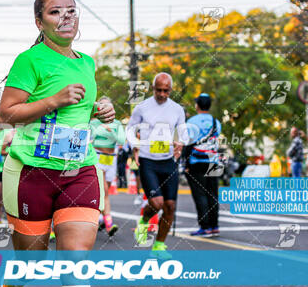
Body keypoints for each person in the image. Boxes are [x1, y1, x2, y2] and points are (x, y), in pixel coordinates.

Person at [0, 0, 115, 287]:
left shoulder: (87, 63)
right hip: (31, 172)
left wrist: (98, 109)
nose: (66, 17)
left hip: (79, 169)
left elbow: (75, 114)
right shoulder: (30, 60)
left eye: (71, 10)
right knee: (31, 260)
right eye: (55, 12)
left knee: (75, 262)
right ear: (40, 22)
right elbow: (6, 114)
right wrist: (53, 100)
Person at [126, 73, 185, 259]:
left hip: (168, 161)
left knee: (170, 206)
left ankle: (159, 246)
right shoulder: (142, 108)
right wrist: (135, 146)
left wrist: (180, 142)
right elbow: (130, 129)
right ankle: (144, 221)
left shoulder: (177, 109)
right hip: (148, 160)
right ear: (153, 88)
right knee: (156, 203)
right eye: (158, 90)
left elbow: (182, 130)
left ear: (171, 90)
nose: (162, 94)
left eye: (166, 90)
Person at [184, 93, 222, 237]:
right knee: (213, 194)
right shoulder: (216, 122)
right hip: (213, 162)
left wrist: (186, 163)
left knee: (200, 195)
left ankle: (204, 227)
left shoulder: (191, 121)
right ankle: (214, 226)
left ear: (197, 105)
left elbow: (188, 143)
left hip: (196, 162)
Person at [90, 96, 126, 236]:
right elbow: (90, 140)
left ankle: (96, 218)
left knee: (104, 192)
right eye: (102, 106)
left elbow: (121, 141)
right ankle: (109, 224)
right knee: (103, 190)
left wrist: (111, 132)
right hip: (98, 157)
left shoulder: (116, 123)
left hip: (111, 160)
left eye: (108, 106)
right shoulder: (94, 123)